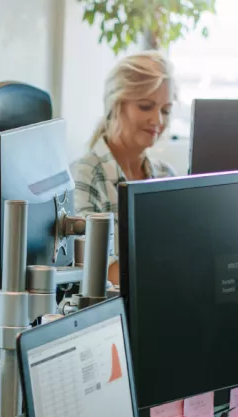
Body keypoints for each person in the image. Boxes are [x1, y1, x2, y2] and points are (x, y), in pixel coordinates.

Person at [71, 51, 176, 285]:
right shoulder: (85, 175)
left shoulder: (165, 175)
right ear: (116, 104)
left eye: (166, 110)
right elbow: (98, 273)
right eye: (146, 106)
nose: (158, 121)